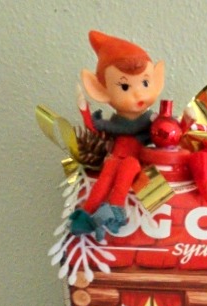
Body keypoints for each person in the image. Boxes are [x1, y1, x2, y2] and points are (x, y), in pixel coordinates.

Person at [69, 31, 165, 239]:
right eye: (125, 86)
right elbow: (97, 128)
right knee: (106, 176)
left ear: (156, 81)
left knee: (128, 168)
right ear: (100, 91)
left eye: (145, 83)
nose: (138, 94)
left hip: (134, 160)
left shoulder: (151, 121)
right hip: (115, 157)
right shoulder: (114, 123)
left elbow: (165, 134)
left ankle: (114, 210)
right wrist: (84, 110)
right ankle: (86, 214)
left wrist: (183, 122)